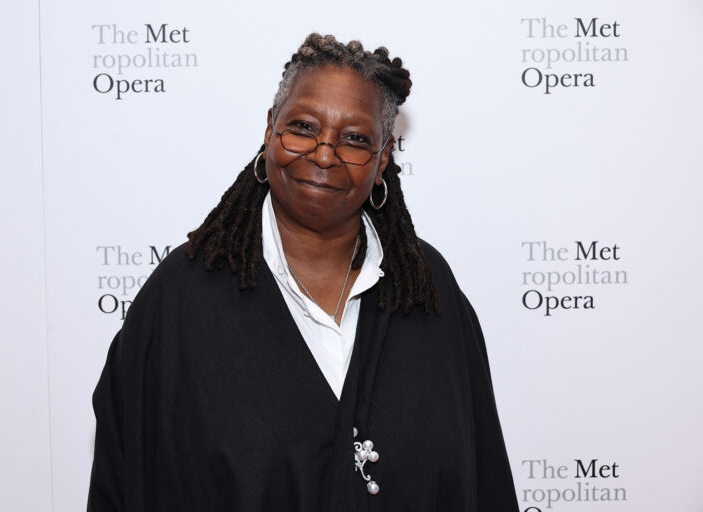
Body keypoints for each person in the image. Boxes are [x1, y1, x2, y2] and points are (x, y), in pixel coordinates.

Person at [87, 33, 519, 511]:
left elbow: (483, 478)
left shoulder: (428, 291)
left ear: (382, 161)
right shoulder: (179, 301)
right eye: (303, 127)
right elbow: (125, 480)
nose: (324, 154)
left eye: (355, 139)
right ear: (270, 130)